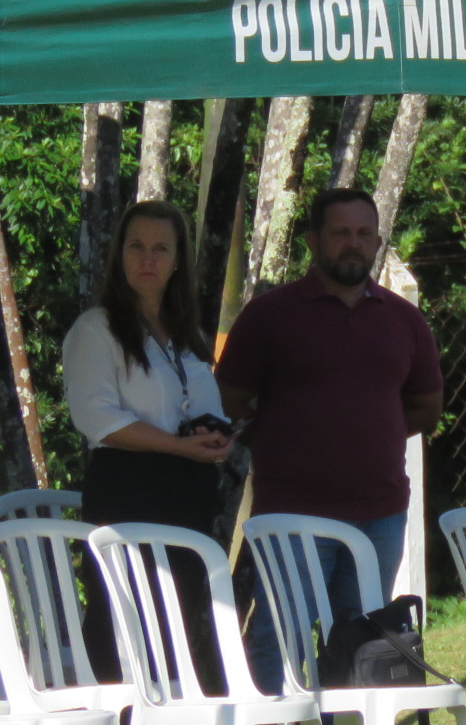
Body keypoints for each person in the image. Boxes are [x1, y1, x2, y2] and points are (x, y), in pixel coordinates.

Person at [216, 187, 444, 691]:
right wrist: (290, 430)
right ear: (314, 241)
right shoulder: (270, 314)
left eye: (364, 234)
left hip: (380, 515)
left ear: (378, 241)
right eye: (341, 233)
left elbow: (427, 406)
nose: (353, 245)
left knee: (363, 641)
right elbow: (230, 398)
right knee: (280, 637)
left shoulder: (404, 320)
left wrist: (365, 431)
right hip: (293, 513)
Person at [63, 200, 234, 687]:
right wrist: (175, 446)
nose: (147, 259)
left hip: (187, 499)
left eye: (160, 248)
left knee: (174, 631)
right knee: (121, 626)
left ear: (178, 258)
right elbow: (96, 417)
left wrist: (211, 435)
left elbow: (193, 406)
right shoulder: (97, 329)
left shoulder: (187, 336)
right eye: (136, 246)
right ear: (119, 255)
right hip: (129, 491)